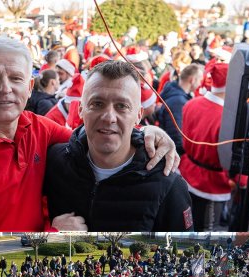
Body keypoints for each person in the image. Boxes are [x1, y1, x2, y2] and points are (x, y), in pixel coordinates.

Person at [0, 37, 178, 232]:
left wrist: (145, 132)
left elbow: (96, 134)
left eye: (16, 78)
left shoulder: (39, 128)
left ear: (30, 87)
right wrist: (53, 236)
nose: (5, 88)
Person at [44, 60, 193, 232]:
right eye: (97, 104)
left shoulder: (168, 185)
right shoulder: (54, 163)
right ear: (81, 109)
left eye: (122, 106)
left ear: (138, 115)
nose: (109, 117)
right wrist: (52, 232)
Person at [177, 63, 231, 231]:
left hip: (186, 171)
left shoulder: (191, 103)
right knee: (206, 230)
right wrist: (240, 181)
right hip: (211, 184)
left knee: (184, 221)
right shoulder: (227, 118)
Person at [155, 63, 203, 154]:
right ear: (192, 80)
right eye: (199, 80)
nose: (200, 84)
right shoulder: (178, 102)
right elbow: (176, 137)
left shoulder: (175, 93)